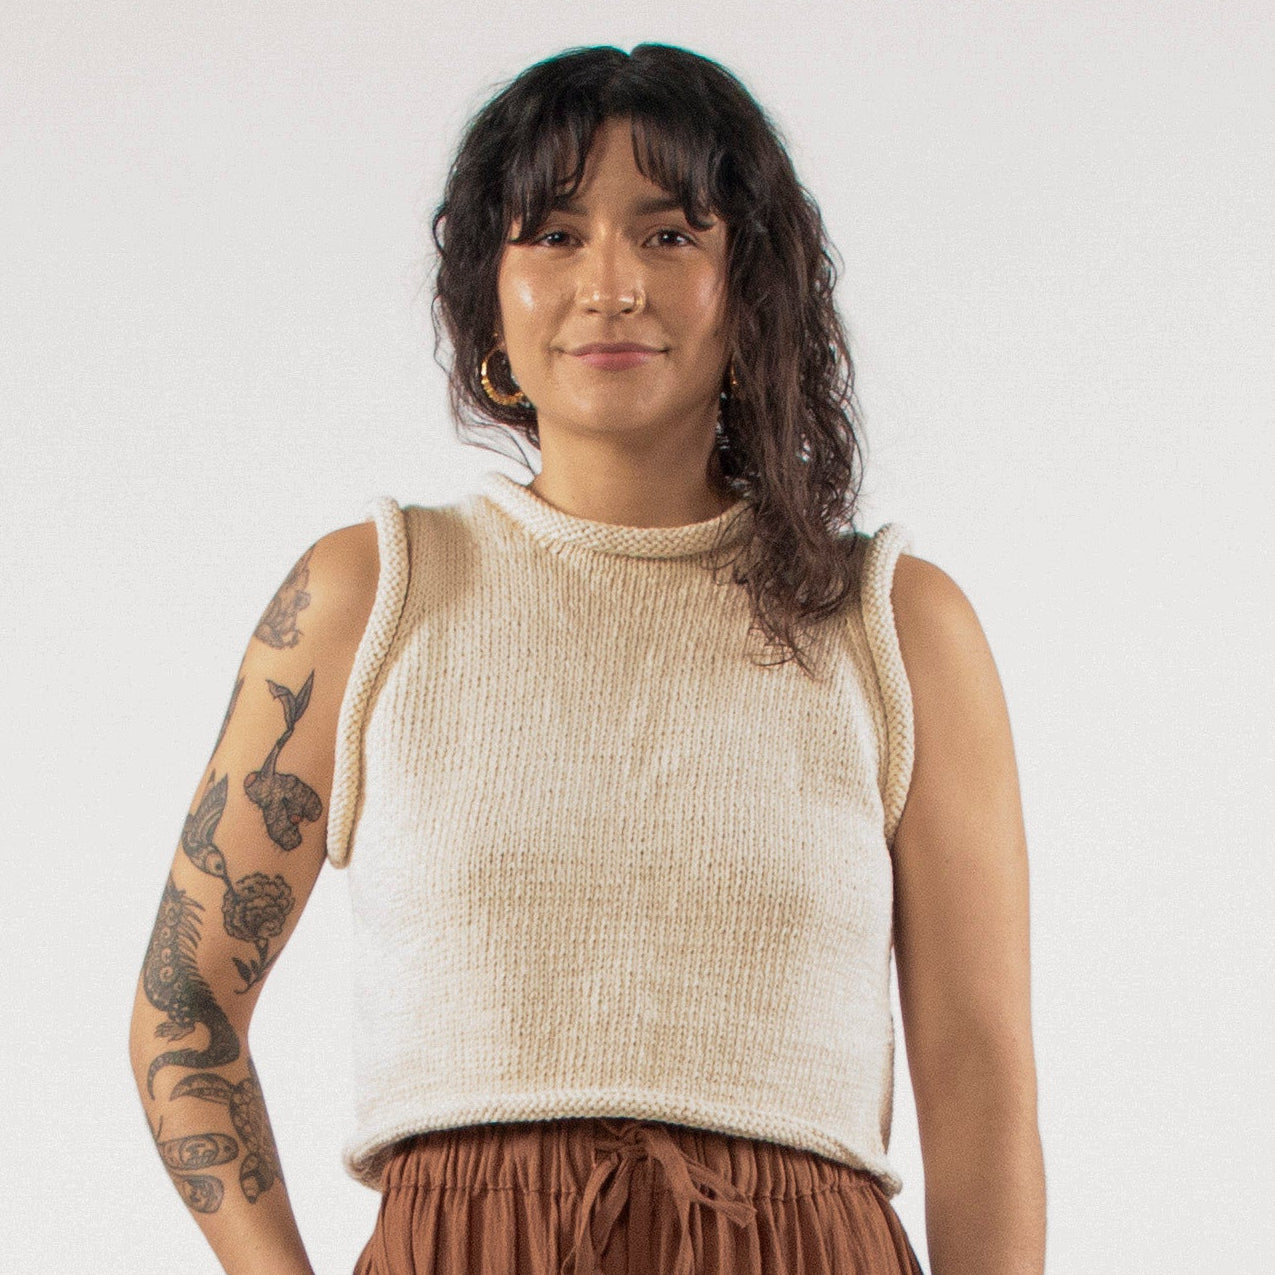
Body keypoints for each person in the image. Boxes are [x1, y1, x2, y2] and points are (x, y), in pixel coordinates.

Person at [128, 42, 1045, 1275]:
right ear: (487, 290)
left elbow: (980, 1084)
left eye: (668, 235)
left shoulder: (891, 623)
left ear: (752, 281)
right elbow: (182, 1013)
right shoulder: (371, 597)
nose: (610, 285)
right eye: (553, 234)